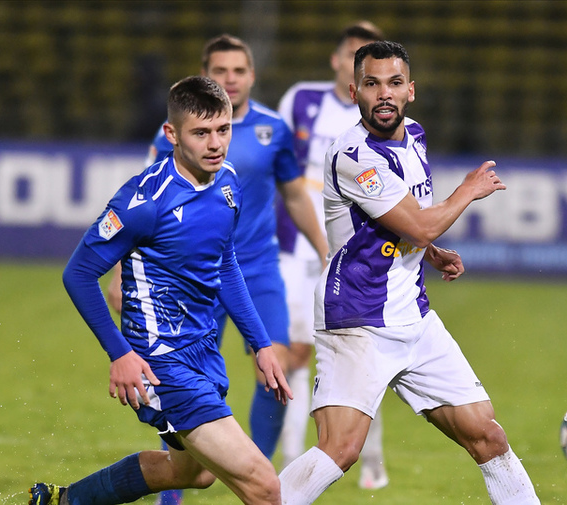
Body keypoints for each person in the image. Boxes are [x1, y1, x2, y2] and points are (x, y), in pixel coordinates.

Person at [277, 41, 541, 504]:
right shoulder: (353, 155)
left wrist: (430, 249)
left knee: (487, 434)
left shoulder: (414, 135)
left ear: (411, 91)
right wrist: (467, 191)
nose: (384, 94)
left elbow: (408, 218)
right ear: (355, 90)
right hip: (357, 318)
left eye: (394, 83)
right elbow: (418, 220)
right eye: (372, 84)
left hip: (414, 318)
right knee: (340, 449)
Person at [30, 76, 292, 505]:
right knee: (264, 485)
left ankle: (62, 501)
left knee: (191, 473)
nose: (215, 143)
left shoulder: (227, 183)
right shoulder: (143, 201)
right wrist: (120, 353)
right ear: (172, 134)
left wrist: (261, 344)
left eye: (223, 130)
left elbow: (224, 264)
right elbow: (78, 274)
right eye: (201, 133)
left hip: (203, 352)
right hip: (160, 361)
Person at [113, 34, 327, 505]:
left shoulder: (274, 130)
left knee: (275, 373)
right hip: (190, 279)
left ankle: (261, 477)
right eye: (221, 71)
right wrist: (118, 277)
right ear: (207, 75)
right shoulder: (178, 132)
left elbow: (293, 195)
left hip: (257, 270)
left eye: (239, 70)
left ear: (252, 75)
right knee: (183, 379)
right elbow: (145, 207)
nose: (230, 79)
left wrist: (324, 249)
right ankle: (182, 492)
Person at [274, 21, 390, 490]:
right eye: (354, 54)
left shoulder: (382, 121)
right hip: (294, 246)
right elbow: (277, 166)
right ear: (339, 62)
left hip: (356, 253)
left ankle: (373, 457)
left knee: (365, 357)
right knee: (293, 354)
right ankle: (288, 459)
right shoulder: (302, 100)